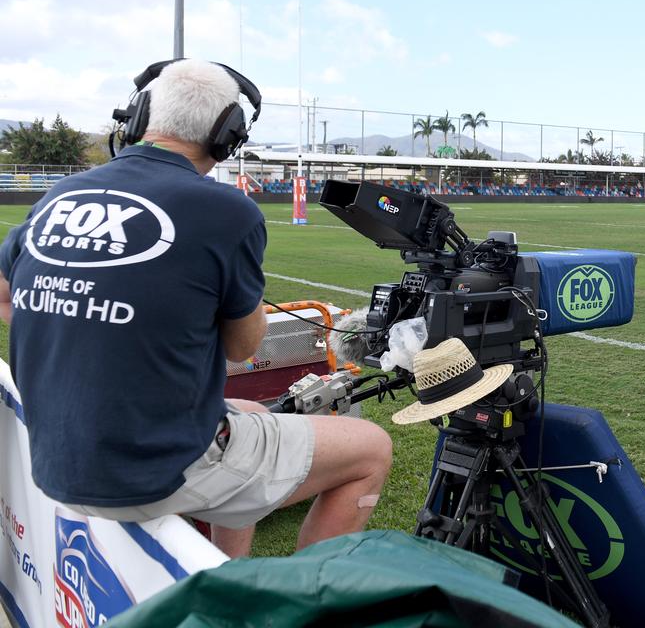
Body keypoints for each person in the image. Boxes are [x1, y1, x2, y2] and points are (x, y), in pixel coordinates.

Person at [0, 59, 392, 559]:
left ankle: (228, 574)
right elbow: (242, 347)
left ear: (140, 116)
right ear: (227, 135)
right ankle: (304, 602)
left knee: (247, 411)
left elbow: (6, 295)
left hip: (54, 459)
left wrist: (73, 315)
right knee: (370, 447)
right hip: (146, 473)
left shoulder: (61, 193)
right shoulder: (228, 210)